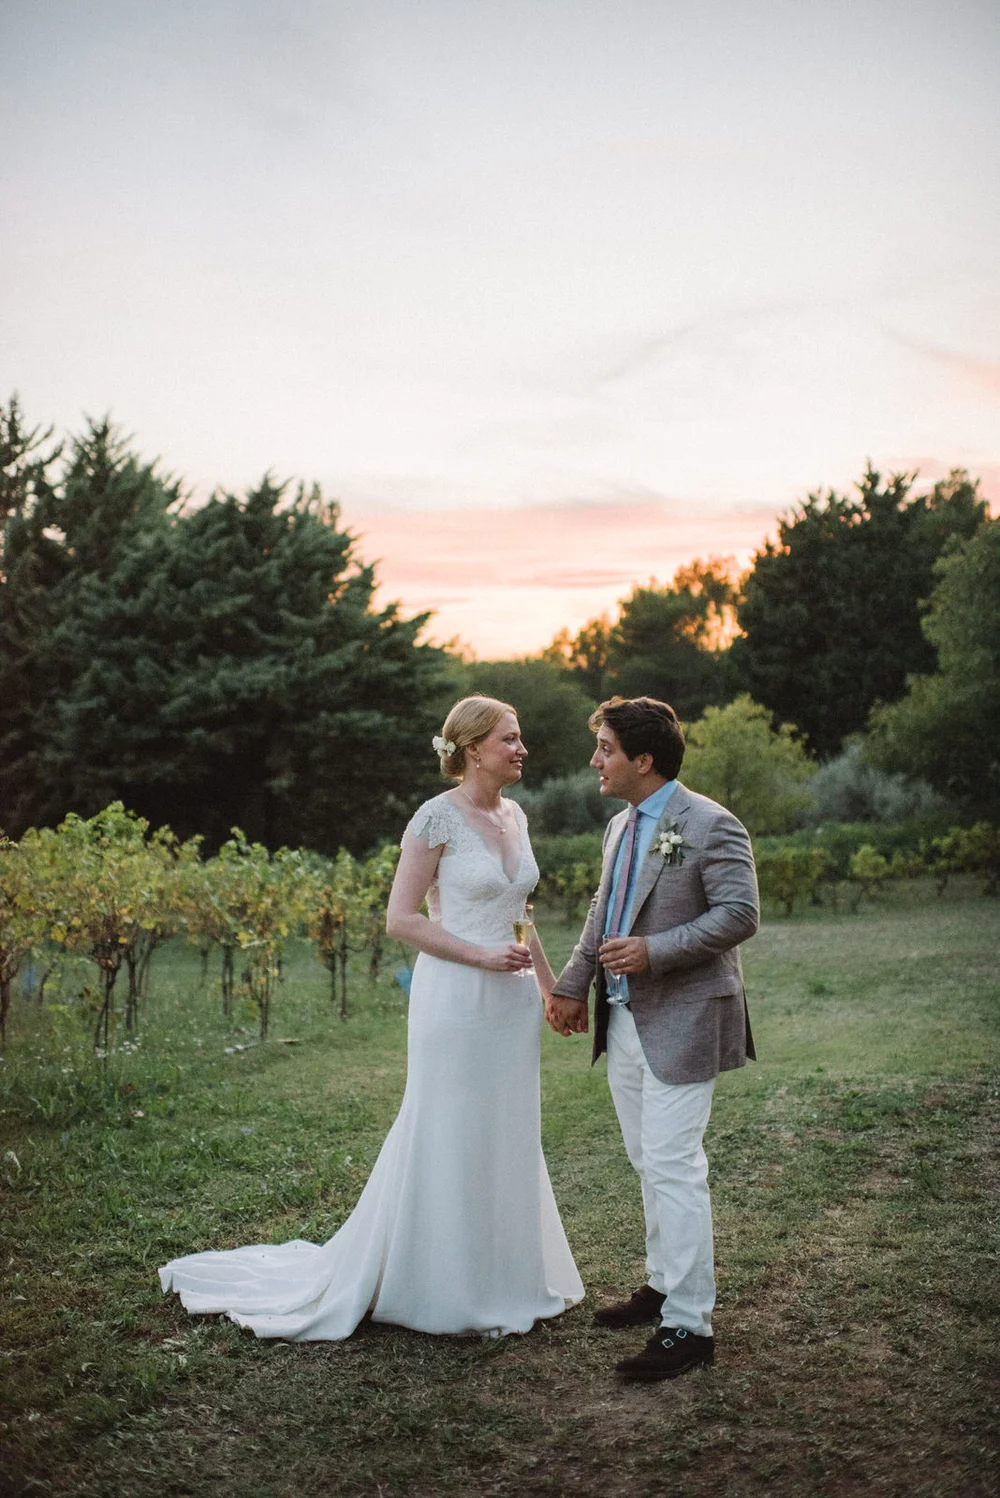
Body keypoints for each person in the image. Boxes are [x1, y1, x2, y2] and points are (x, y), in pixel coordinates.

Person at [160, 695, 583, 1339]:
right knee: (449, 1125)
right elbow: (401, 919)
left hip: (511, 1003)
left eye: (520, 738)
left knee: (507, 1127)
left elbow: (521, 915)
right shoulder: (435, 819)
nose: (522, 749)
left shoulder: (517, 816)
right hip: (456, 999)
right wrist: (477, 955)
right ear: (472, 750)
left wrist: (552, 988)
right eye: (511, 739)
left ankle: (504, 1275)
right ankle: (439, 1281)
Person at [545, 695, 757, 1381]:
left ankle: (690, 1325)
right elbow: (601, 915)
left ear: (643, 759)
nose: (593, 760)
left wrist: (655, 950)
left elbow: (739, 913)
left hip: (689, 1015)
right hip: (625, 1019)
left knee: (674, 1166)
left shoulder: (711, 823)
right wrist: (573, 984)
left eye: (603, 748)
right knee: (647, 1160)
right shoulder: (620, 827)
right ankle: (663, 1282)